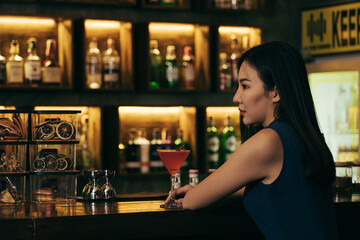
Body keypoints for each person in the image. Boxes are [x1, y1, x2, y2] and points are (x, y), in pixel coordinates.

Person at [166, 41, 339, 239]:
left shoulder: (268, 141)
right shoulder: (303, 136)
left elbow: (192, 201)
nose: (236, 97)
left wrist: (199, 191)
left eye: (245, 86)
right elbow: (283, 191)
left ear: (276, 92)